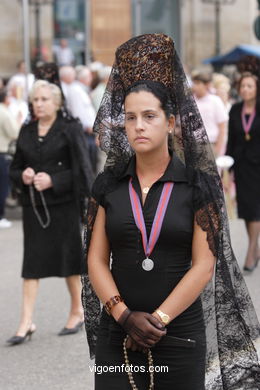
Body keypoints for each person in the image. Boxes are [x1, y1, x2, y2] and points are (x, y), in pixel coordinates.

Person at [81, 34, 260, 389]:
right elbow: (96, 261)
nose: (139, 126)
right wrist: (125, 316)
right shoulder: (109, 184)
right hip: (117, 332)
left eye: (149, 116)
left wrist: (157, 320)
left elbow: (204, 265)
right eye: (130, 118)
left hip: (178, 334)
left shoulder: (198, 186)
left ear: (171, 122)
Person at [7, 79, 93, 345]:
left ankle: (77, 310)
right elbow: (14, 168)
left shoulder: (70, 128)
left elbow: (82, 169)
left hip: (64, 206)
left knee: (69, 261)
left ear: (57, 103)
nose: (39, 104)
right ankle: (26, 322)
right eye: (35, 100)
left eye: (44, 99)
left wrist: (54, 180)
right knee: (31, 265)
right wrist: (24, 174)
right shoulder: (27, 130)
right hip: (34, 207)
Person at [226, 72, 260, 272]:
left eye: (250, 86)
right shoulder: (235, 110)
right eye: (243, 86)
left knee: (255, 208)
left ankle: (251, 251)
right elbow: (232, 139)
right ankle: (255, 247)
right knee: (246, 209)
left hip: (258, 165)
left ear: (256, 88)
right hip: (241, 165)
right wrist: (228, 167)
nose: (245, 89)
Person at [192, 70, 228, 157]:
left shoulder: (215, 101)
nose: (195, 86)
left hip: (210, 144)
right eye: (194, 83)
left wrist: (217, 150)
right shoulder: (190, 101)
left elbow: (222, 127)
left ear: (207, 85)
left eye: (198, 83)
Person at [0, 88, 20, 228]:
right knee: (2, 187)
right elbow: (14, 132)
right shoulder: (4, 112)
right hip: (2, 152)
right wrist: (18, 120)